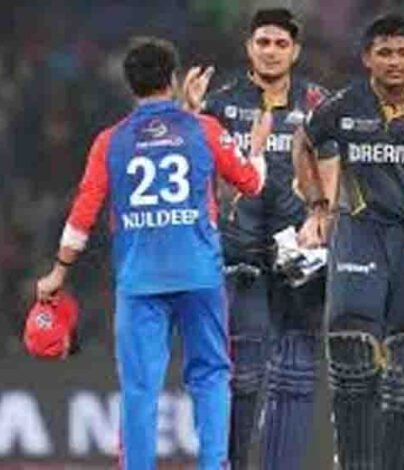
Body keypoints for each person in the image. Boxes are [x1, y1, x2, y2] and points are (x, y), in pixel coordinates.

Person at [35, 37, 267, 469]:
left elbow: (83, 213)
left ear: (129, 84)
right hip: (200, 276)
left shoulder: (110, 141)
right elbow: (251, 183)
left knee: (140, 387)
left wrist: (58, 272)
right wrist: (256, 150)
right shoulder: (203, 129)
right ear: (173, 79)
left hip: (140, 281)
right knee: (211, 376)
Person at [294, 13, 404, 470]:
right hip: (359, 231)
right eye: (385, 53)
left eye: (403, 53)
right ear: (367, 58)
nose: (394, 62)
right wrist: (317, 204)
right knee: (351, 351)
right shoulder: (343, 104)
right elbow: (303, 142)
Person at [182, 8, 336, 469]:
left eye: (281, 44)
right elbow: (189, 166)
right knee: (243, 375)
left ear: (295, 51)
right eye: (263, 42)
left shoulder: (318, 102)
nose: (271, 52)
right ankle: (230, 463)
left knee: (297, 373)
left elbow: (334, 167)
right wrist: (189, 114)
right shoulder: (220, 103)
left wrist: (322, 219)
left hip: (300, 255)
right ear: (249, 47)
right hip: (240, 251)